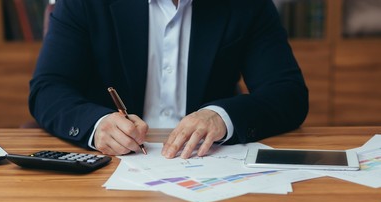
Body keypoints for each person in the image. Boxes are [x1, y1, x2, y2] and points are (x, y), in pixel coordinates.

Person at [29, 0, 309, 159]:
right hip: (113, 162)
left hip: (210, 162)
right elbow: (48, 88)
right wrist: (98, 125)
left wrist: (221, 116)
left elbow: (288, 93)